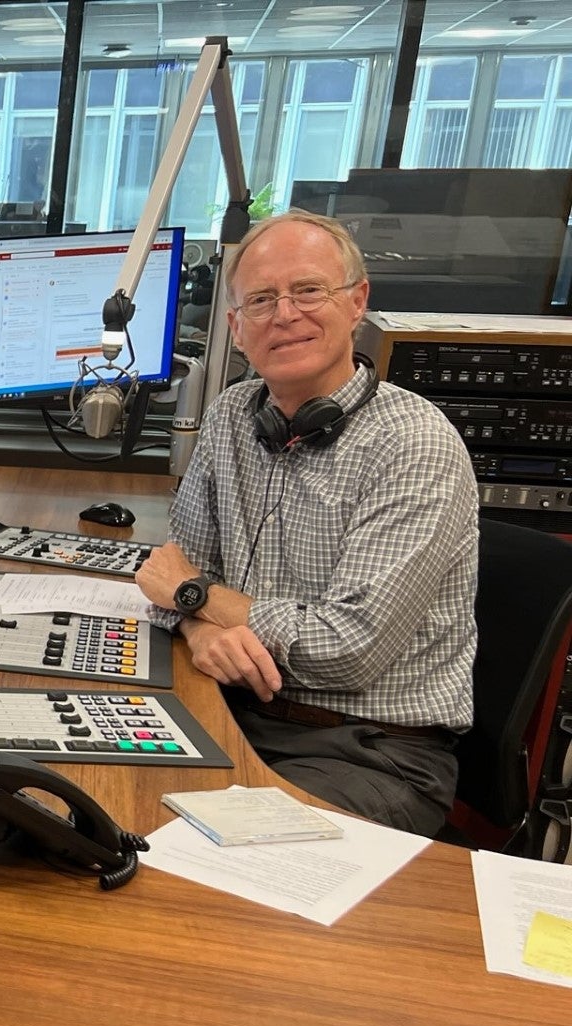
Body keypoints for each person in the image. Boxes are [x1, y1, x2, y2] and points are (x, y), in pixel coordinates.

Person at [135, 212, 477, 836]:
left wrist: (196, 597)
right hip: (231, 708)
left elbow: (348, 650)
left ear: (357, 302)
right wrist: (196, 625)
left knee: (191, 860)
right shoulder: (232, 415)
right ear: (236, 328)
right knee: (84, 812)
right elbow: (173, 574)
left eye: (309, 290)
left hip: (369, 752)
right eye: (262, 300)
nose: (285, 314)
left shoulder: (414, 444)